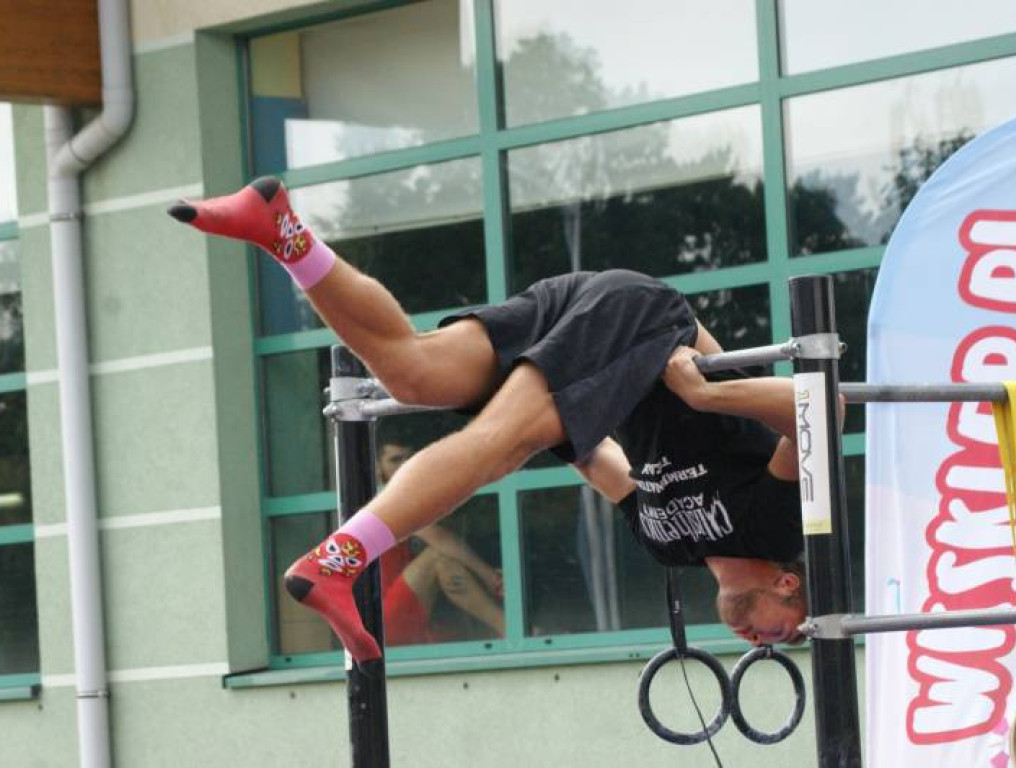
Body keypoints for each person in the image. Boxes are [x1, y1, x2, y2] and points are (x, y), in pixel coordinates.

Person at [168, 177, 806, 669]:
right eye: (785, 629)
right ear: (787, 583)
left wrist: (556, 426)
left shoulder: (670, 545)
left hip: (590, 318)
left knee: (412, 375)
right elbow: (816, 409)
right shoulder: (773, 524)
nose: (760, 641)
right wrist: (704, 394)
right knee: (497, 445)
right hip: (643, 323)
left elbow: (594, 460)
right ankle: (339, 560)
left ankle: (284, 234)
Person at [375, 440, 505, 646]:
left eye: (409, 457)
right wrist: (490, 577)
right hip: (380, 621)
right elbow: (439, 538)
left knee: (445, 563)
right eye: (395, 459)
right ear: (377, 467)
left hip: (405, 615)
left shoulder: (409, 497)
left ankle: (509, 629)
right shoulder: (383, 499)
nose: (404, 465)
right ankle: (510, 629)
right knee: (438, 557)